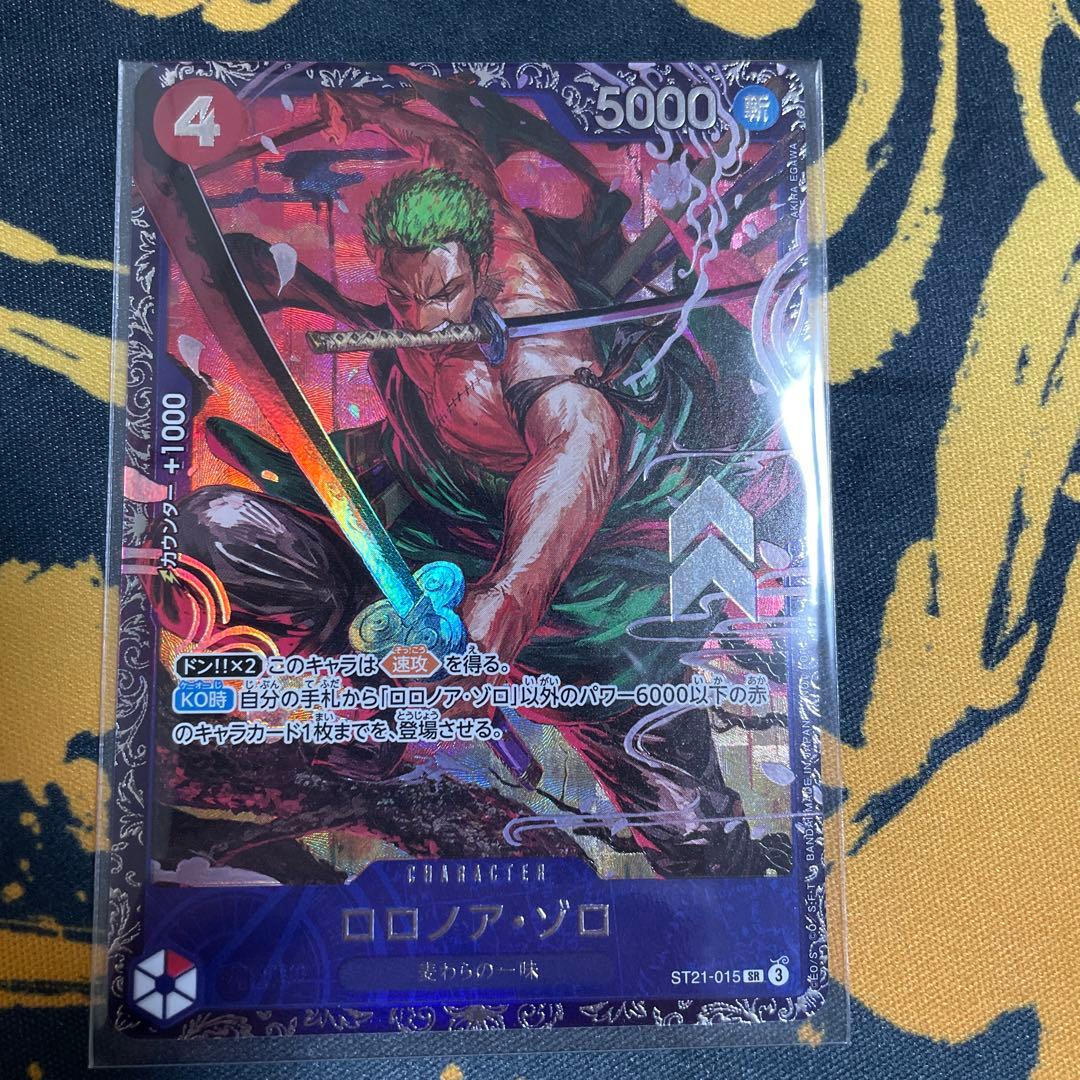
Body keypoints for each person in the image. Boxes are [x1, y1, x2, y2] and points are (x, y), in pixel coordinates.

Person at [152, 86, 791, 878]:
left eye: (444, 294)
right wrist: (377, 114)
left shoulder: (537, 344)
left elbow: (577, 451)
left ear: (482, 266)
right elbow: (453, 149)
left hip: (585, 586)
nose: (423, 320)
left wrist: (505, 604)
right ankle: (364, 710)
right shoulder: (467, 213)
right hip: (428, 516)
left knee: (696, 842)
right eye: (402, 296)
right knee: (216, 533)